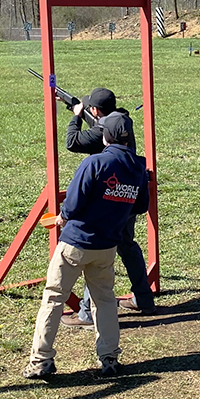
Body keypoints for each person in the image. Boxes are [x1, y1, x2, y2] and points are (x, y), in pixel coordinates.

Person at [24, 111, 147, 380]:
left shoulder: (94, 162)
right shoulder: (138, 167)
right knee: (104, 301)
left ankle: (40, 360)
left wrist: (61, 217)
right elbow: (141, 205)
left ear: (107, 136)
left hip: (76, 242)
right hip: (107, 247)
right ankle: (109, 357)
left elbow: (73, 203)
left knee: (54, 297)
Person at [61, 87, 155, 322]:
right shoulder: (121, 121)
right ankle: (143, 298)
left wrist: (75, 116)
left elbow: (72, 142)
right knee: (126, 246)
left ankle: (85, 313)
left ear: (94, 110)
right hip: (127, 194)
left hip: (108, 198)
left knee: (96, 249)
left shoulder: (102, 130)